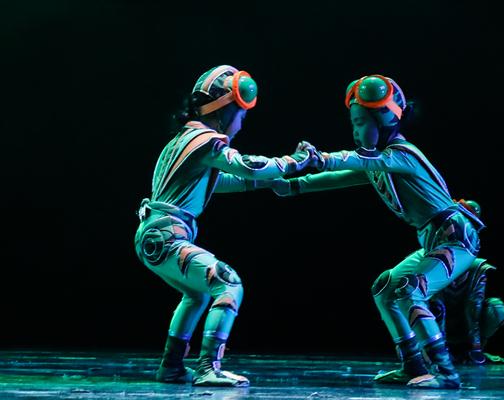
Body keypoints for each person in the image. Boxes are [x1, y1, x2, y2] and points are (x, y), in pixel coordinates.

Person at [271, 74, 484, 388]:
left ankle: (446, 372)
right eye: (353, 123)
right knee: (386, 288)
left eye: (360, 122)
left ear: (384, 121)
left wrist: (320, 159)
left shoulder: (401, 154)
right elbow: (344, 175)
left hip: (457, 239)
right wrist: (294, 186)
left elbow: (354, 161)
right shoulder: (381, 163)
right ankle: (413, 365)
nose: (355, 131)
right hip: (434, 239)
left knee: (411, 290)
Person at [134, 65, 315, 387]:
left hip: (156, 234)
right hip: (166, 235)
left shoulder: (185, 140)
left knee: (196, 294)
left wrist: (270, 183)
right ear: (224, 110)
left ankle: (172, 366)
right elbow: (248, 167)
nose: (242, 124)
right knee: (228, 283)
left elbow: (221, 182)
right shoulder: (206, 140)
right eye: (241, 115)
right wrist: (295, 161)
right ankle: (209, 368)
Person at [427, 200, 504, 365]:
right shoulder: (431, 259)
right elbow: (436, 303)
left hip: (465, 330)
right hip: (435, 331)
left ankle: (471, 350)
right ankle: (432, 349)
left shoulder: (477, 268)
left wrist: (475, 348)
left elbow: (474, 306)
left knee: (495, 308)